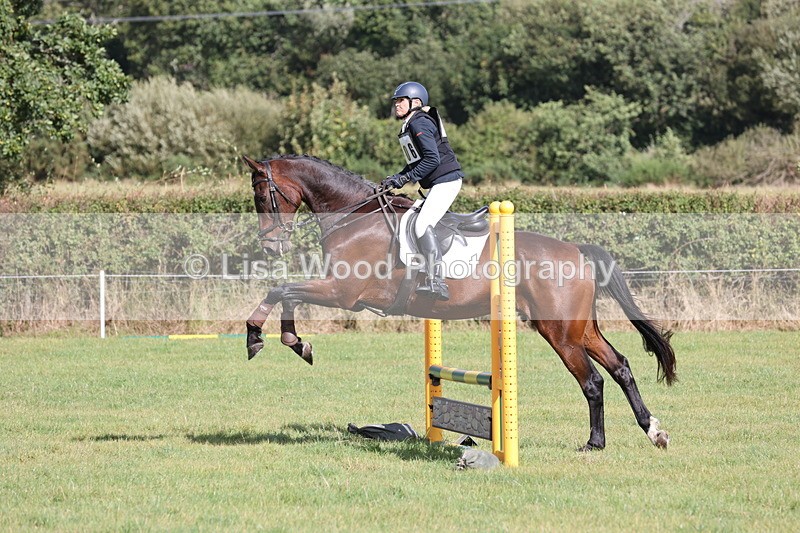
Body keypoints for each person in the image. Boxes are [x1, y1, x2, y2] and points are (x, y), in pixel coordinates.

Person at [380, 81, 464, 301]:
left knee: (421, 224)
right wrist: (396, 177)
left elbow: (432, 159)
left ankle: (438, 281)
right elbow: (416, 161)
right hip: (438, 182)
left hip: (446, 181)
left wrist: (405, 178)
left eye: (401, 100)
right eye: (396, 101)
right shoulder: (410, 124)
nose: (396, 105)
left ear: (415, 102)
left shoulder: (419, 123)